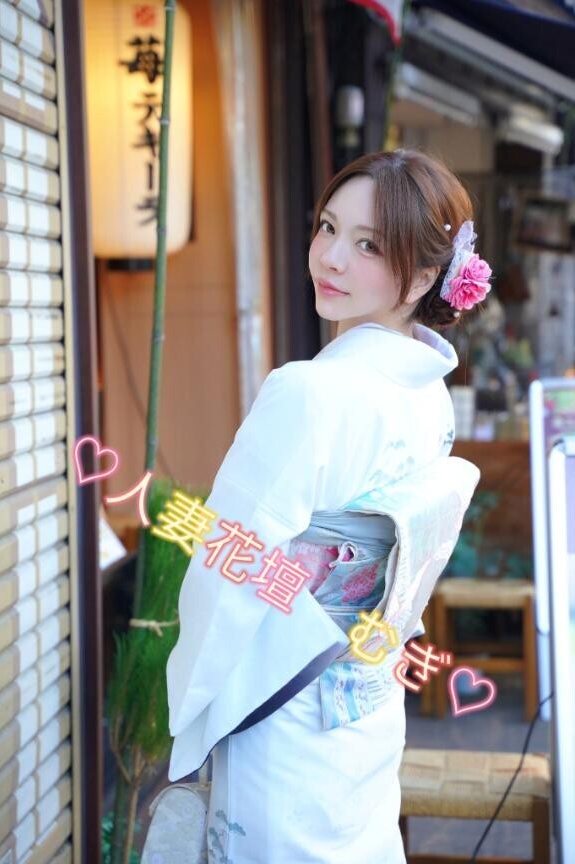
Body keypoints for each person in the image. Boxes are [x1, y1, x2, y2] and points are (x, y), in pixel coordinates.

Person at [166, 149, 489, 863]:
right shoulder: (428, 397)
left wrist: (189, 702)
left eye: (369, 245)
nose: (331, 258)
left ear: (425, 276)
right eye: (328, 227)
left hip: (282, 694)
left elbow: (230, 558)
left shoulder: (310, 392)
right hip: (366, 693)